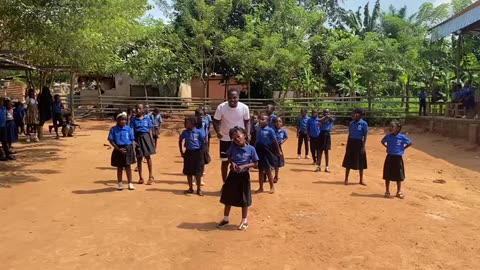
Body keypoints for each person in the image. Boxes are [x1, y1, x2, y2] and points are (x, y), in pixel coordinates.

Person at [217, 127, 259, 231]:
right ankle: (226, 219)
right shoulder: (233, 147)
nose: (237, 139)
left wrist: (244, 166)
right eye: (234, 138)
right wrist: (233, 163)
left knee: (244, 199)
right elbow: (229, 156)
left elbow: (256, 163)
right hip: (233, 175)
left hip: (244, 177)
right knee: (228, 197)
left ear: (244, 135)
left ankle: (244, 221)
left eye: (238, 137)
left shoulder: (251, 149)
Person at [213, 89, 250, 182]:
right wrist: (218, 131)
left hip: (239, 139)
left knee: (241, 160)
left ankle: (239, 183)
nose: (232, 100)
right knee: (225, 161)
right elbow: (216, 121)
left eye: (235, 97)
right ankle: (225, 183)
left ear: (238, 97)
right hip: (225, 138)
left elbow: (247, 121)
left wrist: (247, 133)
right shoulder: (221, 107)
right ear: (227, 98)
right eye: (230, 98)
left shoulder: (244, 107)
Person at [381, 121, 412, 199]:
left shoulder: (402, 137)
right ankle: (387, 191)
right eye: (389, 126)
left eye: (392, 126)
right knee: (387, 175)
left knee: (399, 175)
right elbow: (382, 141)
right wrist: (387, 147)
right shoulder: (388, 136)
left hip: (398, 158)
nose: (390, 128)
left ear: (397, 129)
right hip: (389, 157)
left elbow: (409, 143)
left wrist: (403, 149)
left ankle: (398, 192)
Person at [108, 112, 136, 191]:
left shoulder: (128, 128)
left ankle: (130, 183)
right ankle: (120, 183)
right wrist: (118, 149)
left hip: (128, 148)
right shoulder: (113, 129)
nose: (123, 121)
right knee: (119, 167)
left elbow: (132, 139)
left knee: (128, 166)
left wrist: (133, 149)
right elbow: (111, 140)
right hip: (118, 149)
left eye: (125, 120)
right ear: (117, 120)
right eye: (122, 120)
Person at [179, 116, 206, 196]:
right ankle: (190, 188)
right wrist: (181, 151)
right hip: (188, 153)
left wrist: (202, 153)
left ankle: (199, 189)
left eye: (186, 123)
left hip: (197, 153)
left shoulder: (198, 132)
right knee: (189, 172)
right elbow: (180, 140)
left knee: (198, 172)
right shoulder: (185, 132)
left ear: (192, 123)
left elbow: (203, 142)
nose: (185, 124)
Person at [130, 104, 156, 185]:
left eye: (140, 108)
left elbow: (150, 129)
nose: (138, 110)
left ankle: (150, 176)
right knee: (139, 158)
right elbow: (131, 130)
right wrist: (132, 140)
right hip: (138, 138)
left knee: (148, 157)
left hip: (146, 137)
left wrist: (152, 140)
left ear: (143, 110)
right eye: (137, 108)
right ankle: (140, 177)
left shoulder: (147, 119)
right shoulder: (133, 120)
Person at [255, 114, 280, 194]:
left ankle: (272, 186)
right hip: (259, 150)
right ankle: (261, 187)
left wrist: (278, 150)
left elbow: (275, 141)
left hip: (267, 150)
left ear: (268, 122)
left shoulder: (270, 130)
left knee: (268, 170)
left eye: (263, 119)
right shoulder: (259, 130)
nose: (260, 121)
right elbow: (257, 141)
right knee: (260, 170)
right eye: (260, 119)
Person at [342, 108, 368, 185]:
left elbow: (365, 135)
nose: (353, 115)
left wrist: (363, 146)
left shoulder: (364, 124)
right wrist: (347, 144)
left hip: (359, 143)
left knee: (361, 162)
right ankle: (346, 179)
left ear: (359, 115)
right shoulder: (351, 123)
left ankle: (361, 180)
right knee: (348, 161)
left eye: (355, 113)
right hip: (351, 142)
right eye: (353, 113)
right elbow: (349, 134)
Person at [273, 117, 288, 183]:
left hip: (278, 147)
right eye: (276, 121)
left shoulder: (283, 130)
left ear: (282, 123)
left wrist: (282, 141)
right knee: (268, 161)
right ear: (274, 123)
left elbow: (286, 137)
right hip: (271, 147)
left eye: (279, 121)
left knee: (277, 162)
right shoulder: (272, 130)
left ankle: (276, 176)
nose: (278, 123)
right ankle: (266, 174)